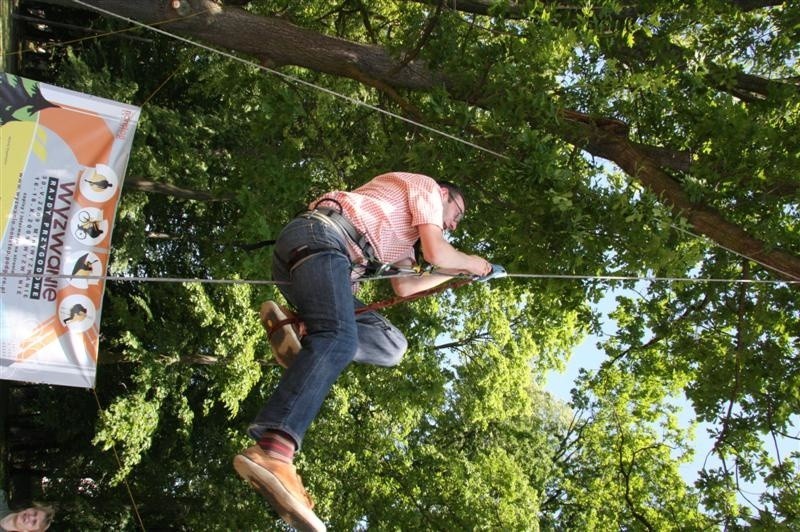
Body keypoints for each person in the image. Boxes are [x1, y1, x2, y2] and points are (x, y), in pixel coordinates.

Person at [233, 172, 493, 531]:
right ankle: (274, 449)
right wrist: (475, 262)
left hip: (318, 259)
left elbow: (405, 286)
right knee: (338, 338)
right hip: (322, 240)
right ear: (445, 194)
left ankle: (304, 331)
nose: (452, 224)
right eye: (456, 214)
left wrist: (460, 272)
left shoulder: (404, 238)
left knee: (391, 346)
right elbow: (437, 251)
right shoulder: (426, 188)